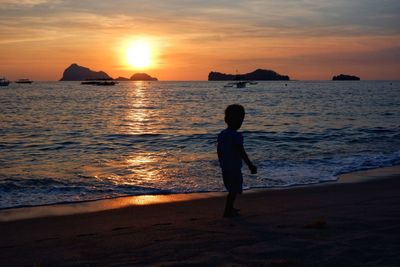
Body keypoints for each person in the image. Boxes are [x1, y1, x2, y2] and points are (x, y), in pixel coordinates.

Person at [217, 104, 257, 217]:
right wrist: (250, 165)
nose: (240, 123)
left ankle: (230, 208)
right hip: (234, 166)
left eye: (242, 120)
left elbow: (219, 150)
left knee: (232, 188)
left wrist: (221, 161)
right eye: (240, 120)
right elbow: (241, 152)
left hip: (225, 166)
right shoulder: (236, 136)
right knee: (234, 189)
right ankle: (228, 210)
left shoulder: (222, 134)